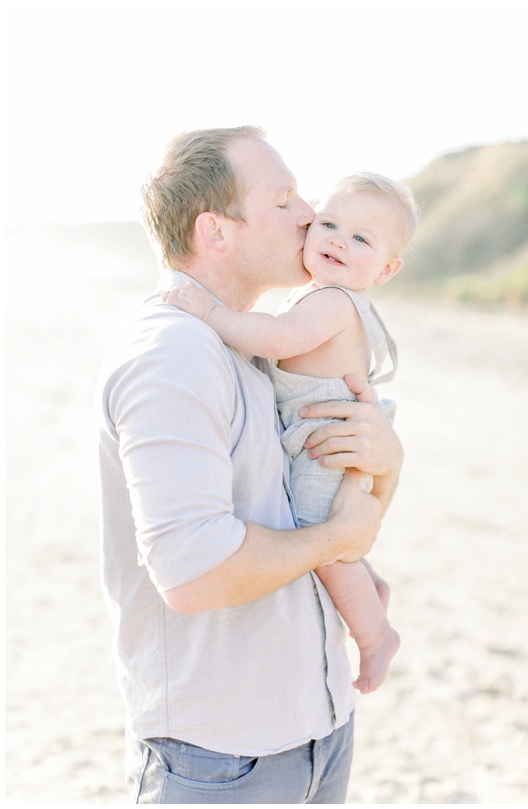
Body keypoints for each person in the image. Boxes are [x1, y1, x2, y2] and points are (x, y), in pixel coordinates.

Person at [97, 126, 403, 802]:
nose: (309, 213)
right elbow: (194, 571)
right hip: (220, 757)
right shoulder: (173, 354)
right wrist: (334, 541)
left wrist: (388, 460)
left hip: (316, 727)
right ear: (216, 231)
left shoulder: (261, 349)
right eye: (284, 200)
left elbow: (326, 509)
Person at [163, 171, 417, 695]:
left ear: (387, 269)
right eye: (328, 224)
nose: (337, 240)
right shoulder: (324, 296)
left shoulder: (332, 302)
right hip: (325, 438)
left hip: (325, 445)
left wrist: (210, 312)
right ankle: (370, 587)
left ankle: (375, 637)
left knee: (317, 532)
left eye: (361, 239)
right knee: (332, 532)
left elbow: (277, 339)